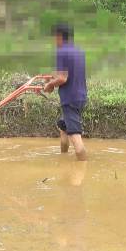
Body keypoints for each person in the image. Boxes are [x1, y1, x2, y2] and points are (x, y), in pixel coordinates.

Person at [44, 23, 88, 161]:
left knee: (75, 136)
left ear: (58, 36)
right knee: (64, 127)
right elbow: (68, 73)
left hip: (70, 99)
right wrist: (52, 78)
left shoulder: (61, 51)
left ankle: (83, 168)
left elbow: (63, 78)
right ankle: (63, 158)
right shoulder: (78, 51)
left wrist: (50, 85)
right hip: (80, 96)